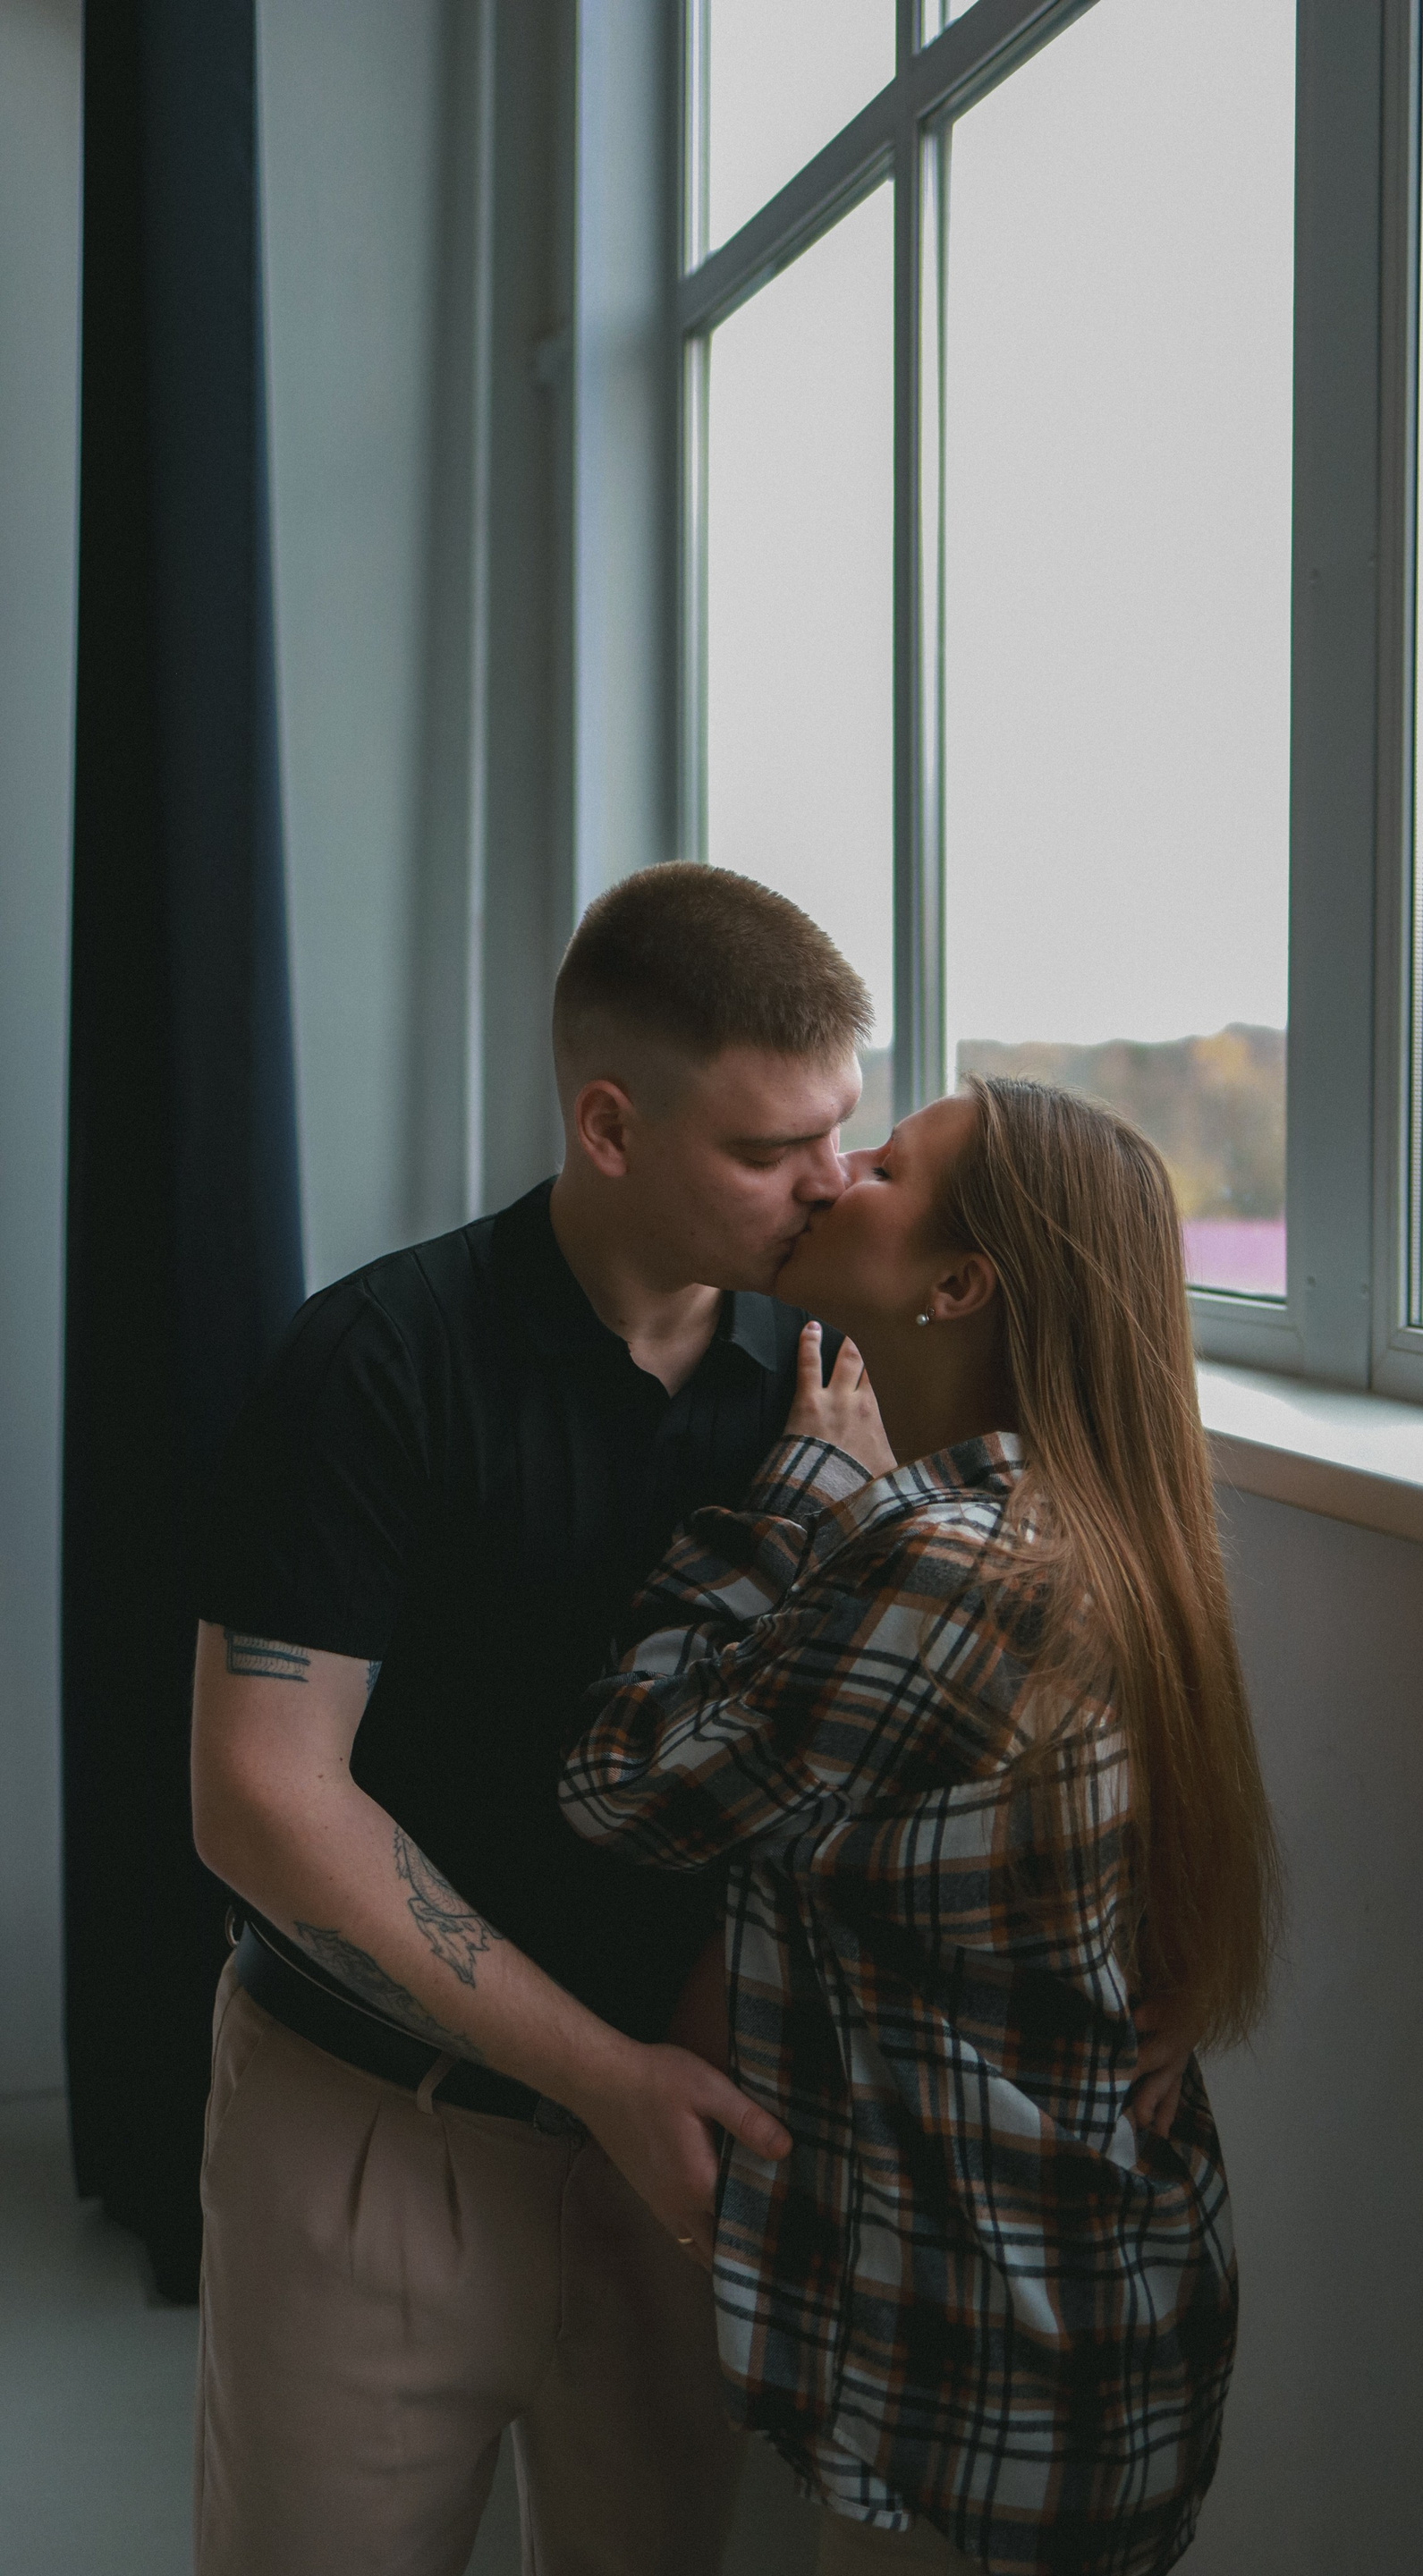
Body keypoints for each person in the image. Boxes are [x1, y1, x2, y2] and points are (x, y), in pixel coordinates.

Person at [188, 863, 877, 2576]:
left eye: (842, 1129)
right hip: (374, 2131)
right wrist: (607, 2078)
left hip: (686, 2152)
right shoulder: (376, 1359)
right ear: (609, 1126)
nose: (831, 1183)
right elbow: (260, 1798)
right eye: (770, 1149)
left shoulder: (833, 1376)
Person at [559, 1077, 1283, 2576]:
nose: (833, 1177)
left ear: (956, 1289)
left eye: (883, 1168)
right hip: (1061, 2334)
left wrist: (798, 1497)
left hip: (992, 2382)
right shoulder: (1075, 1523)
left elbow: (618, 1783)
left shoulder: (954, 1570)